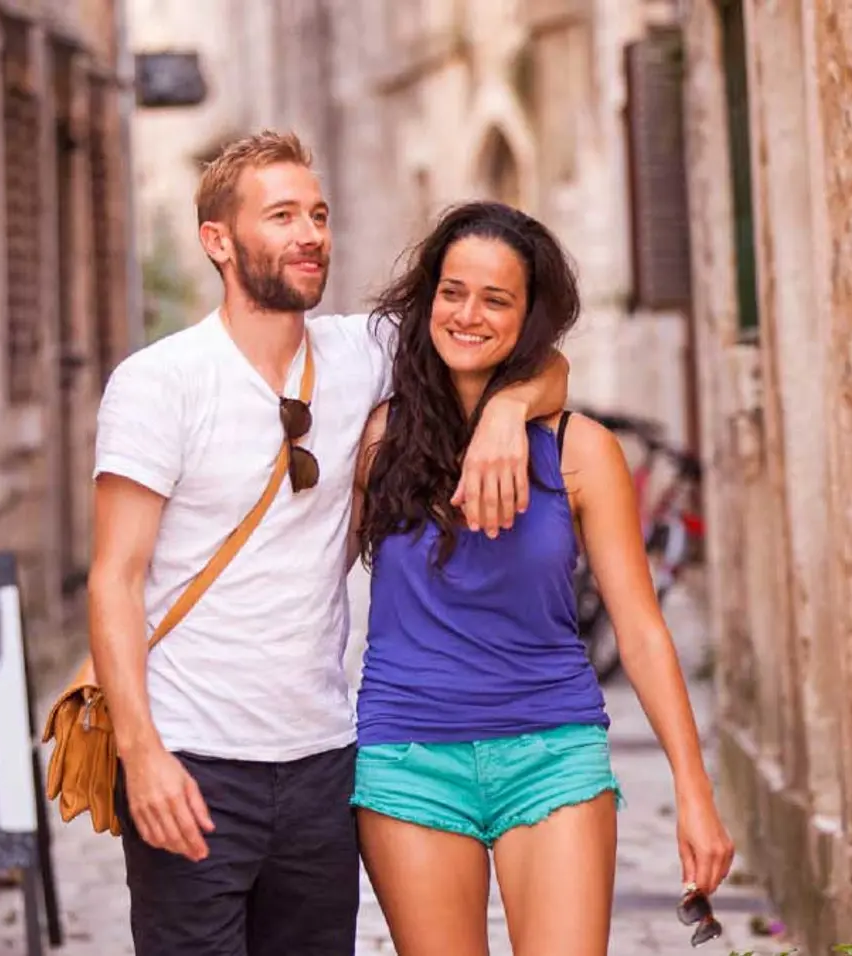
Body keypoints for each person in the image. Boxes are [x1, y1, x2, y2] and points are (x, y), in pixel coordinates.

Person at [86, 131, 569, 956]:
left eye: (318, 214)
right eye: (281, 216)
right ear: (218, 241)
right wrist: (143, 753)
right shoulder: (160, 382)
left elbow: (530, 356)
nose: (310, 234)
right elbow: (113, 580)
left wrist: (501, 414)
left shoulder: (363, 352)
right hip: (192, 756)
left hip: (320, 764)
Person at [349, 200, 735, 955]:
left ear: (528, 320)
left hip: (553, 756)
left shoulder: (583, 451)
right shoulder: (375, 440)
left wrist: (694, 791)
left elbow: (642, 629)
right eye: (453, 292)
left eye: (497, 299)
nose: (468, 314)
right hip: (407, 760)